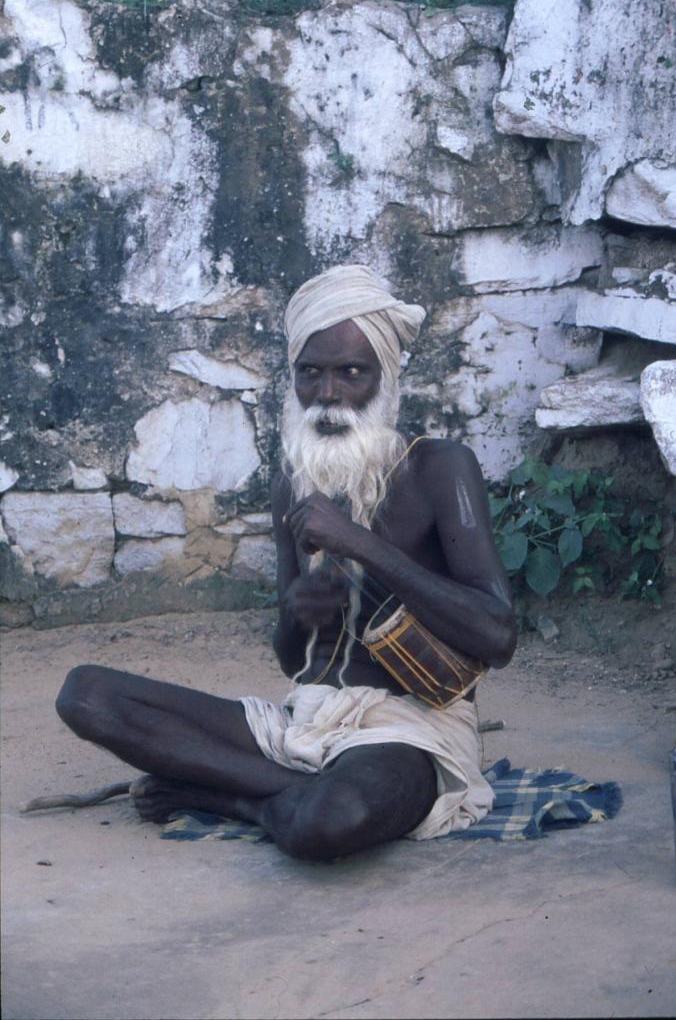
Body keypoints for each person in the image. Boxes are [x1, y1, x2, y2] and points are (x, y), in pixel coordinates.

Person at [56, 265, 516, 861]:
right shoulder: (293, 482)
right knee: (85, 695)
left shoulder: (441, 467)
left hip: (409, 730)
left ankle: (229, 797)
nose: (328, 395)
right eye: (311, 373)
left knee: (330, 821)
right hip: (305, 720)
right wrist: (298, 615)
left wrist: (359, 543)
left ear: (387, 376)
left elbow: (498, 635)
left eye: (351, 373)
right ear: (293, 378)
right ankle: (294, 791)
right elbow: (293, 660)